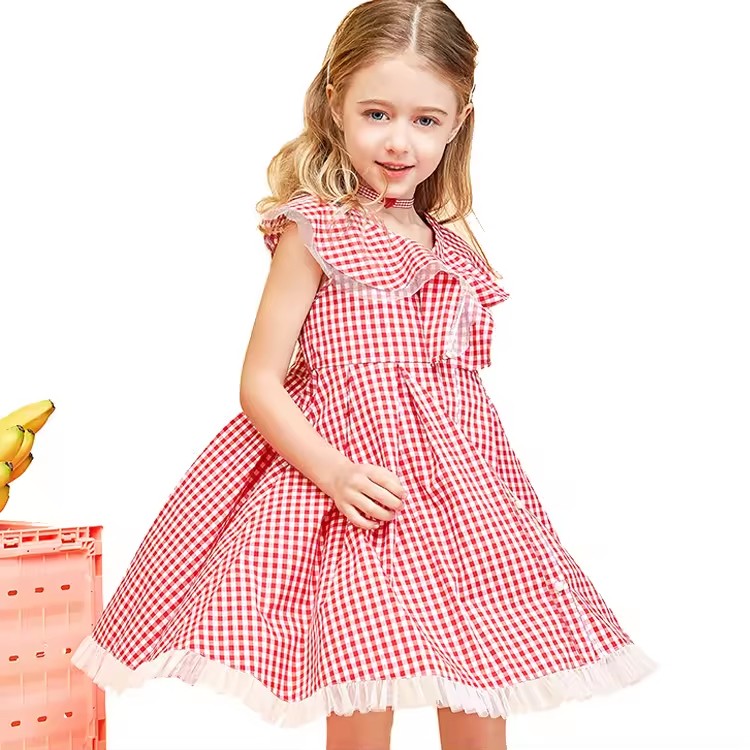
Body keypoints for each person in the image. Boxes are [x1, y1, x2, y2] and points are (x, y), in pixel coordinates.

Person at [71, 1, 658, 748]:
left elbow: (451, 389)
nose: (398, 140)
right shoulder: (316, 229)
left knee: (483, 670)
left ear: (458, 122)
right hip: (355, 497)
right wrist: (334, 471)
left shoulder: (449, 249)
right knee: (360, 672)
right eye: (376, 113)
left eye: (425, 120)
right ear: (334, 104)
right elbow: (260, 381)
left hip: (458, 497)